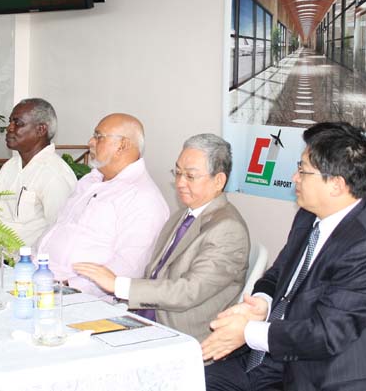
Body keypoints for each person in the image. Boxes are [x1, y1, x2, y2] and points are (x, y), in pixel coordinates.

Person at [202, 122, 366, 391]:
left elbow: (325, 335)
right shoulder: (310, 215)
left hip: (317, 376)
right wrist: (262, 303)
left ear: (336, 185)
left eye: (303, 171)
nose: (295, 178)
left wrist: (248, 332)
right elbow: (278, 274)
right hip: (271, 360)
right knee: (182, 381)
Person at [74, 134, 249, 341]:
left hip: (182, 334)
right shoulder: (183, 215)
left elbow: (188, 291)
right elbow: (155, 273)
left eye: (190, 176)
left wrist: (118, 285)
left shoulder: (228, 229)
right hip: (146, 318)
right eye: (178, 173)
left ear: (218, 180)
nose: (180, 183)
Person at [35, 113, 169, 299]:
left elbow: (129, 267)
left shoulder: (143, 198)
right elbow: (58, 228)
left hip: (78, 298)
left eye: (99, 137)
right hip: (39, 279)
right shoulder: (90, 180)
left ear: (122, 145)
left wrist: (67, 288)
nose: (90, 141)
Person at [0, 98, 77, 246]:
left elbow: (60, 233)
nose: (9, 128)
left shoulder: (54, 175)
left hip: (28, 264)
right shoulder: (10, 166)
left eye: (18, 123)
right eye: (10, 122)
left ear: (41, 130)